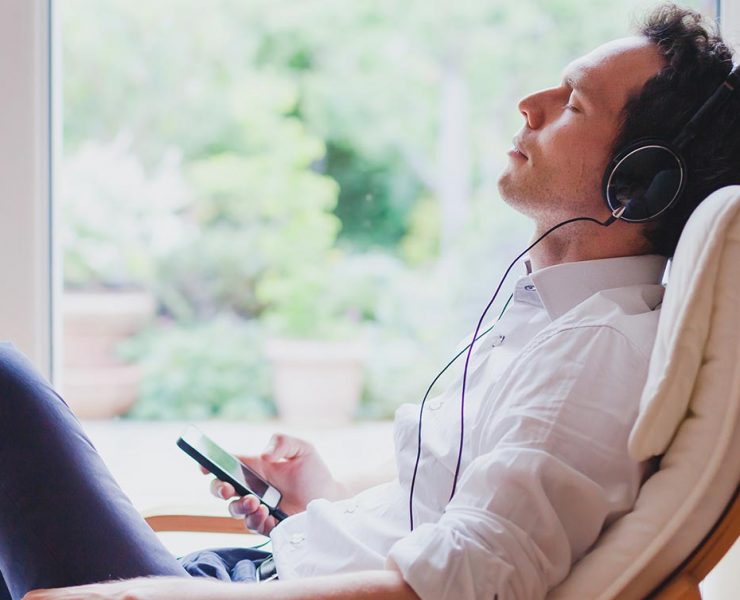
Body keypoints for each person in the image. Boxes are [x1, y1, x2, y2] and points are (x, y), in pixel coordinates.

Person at [9, 3, 740, 599]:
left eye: (573, 102)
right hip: (264, 571)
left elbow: (467, 583)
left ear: (639, 182)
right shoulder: (548, 318)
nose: (530, 103)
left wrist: (154, 596)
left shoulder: (594, 352)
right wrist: (318, 500)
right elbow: (446, 525)